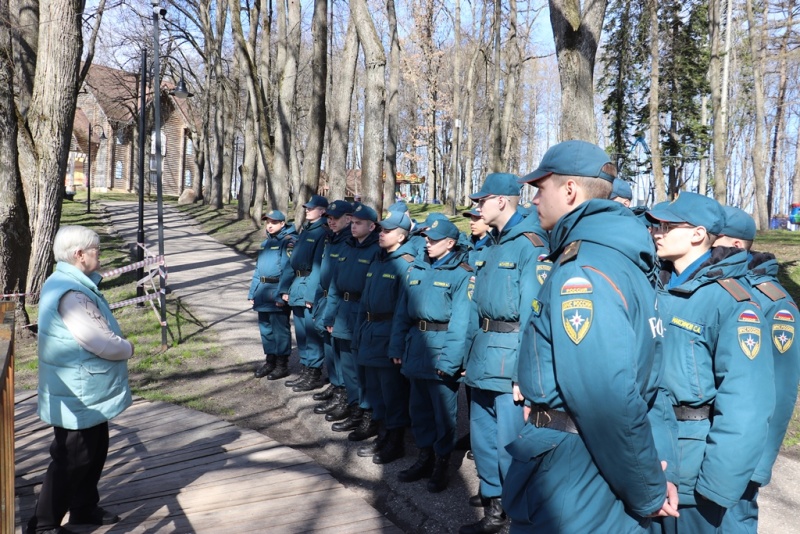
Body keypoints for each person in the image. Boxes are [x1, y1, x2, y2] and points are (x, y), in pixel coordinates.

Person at [505, 140, 678, 532]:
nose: (533, 199)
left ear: (569, 191)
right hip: (605, 460)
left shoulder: (583, 271)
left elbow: (608, 397)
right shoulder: (626, 260)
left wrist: (649, 489)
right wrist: (657, 470)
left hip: (575, 472)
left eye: (540, 188)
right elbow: (652, 386)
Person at [647, 194, 775, 534]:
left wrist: (716, 488)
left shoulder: (731, 301)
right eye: (656, 225)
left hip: (696, 474)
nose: (657, 232)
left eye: (667, 225)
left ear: (697, 234)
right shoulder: (652, 290)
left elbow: (745, 403)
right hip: (650, 462)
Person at [28, 226, 134, 534]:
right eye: (96, 251)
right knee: (72, 457)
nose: (99, 255)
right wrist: (127, 347)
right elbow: (97, 340)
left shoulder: (69, 283)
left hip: (85, 387)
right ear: (79, 255)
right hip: (78, 389)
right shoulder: (71, 292)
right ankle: (44, 524)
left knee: (95, 448)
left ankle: (83, 508)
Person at [460, 173, 549, 534]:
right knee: (481, 438)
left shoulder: (530, 244)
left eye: (482, 200)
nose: (477, 207)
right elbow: (475, 310)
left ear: (502, 201)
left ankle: (515, 511)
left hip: (509, 357)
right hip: (482, 355)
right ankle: (494, 505)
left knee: (508, 443)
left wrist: (522, 373)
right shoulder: (490, 244)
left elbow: (533, 314)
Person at [713, 206, 798, 532]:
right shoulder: (719, 292)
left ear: (734, 247)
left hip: (743, 462)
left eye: (712, 238)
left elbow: (781, 386)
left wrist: (758, 466)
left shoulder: (773, 304)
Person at [389, 218, 476, 493]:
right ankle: (424, 458)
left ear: (450, 243)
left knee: (443, 414)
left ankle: (442, 462)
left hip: (441, 350)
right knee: (420, 410)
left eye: (434, 239)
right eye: (426, 237)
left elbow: (462, 322)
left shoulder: (462, 274)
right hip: (416, 346)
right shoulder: (417, 267)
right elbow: (402, 312)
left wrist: (451, 361)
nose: (428, 242)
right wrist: (396, 347)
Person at [352, 211, 416, 464]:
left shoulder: (406, 263)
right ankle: (382, 434)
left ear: (401, 236)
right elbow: (365, 301)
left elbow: (404, 310)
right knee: (375, 391)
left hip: (388, 334)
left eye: (387, 231)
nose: (381, 234)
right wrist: (358, 333)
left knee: (393, 393)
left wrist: (397, 345)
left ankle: (395, 441)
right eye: (380, 230)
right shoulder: (379, 259)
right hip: (369, 332)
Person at [322, 203, 381, 435]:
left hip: (363, 312)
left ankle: (368, 413)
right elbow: (335, 284)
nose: (354, 227)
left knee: (362, 368)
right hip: (344, 311)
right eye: (353, 222)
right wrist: (330, 314)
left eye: (358, 223)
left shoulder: (376, 250)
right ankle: (353, 407)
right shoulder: (347, 246)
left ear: (371, 226)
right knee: (347, 365)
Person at [279, 194, 329, 384]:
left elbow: (318, 266)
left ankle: (314, 372)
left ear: (322, 211)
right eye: (307, 207)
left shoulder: (322, 232)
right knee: (300, 332)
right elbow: (292, 262)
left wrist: (311, 294)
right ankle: (306, 369)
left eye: (311, 207)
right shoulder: (306, 230)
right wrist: (284, 288)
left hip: (310, 287)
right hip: (297, 286)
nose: (307, 210)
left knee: (312, 333)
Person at [310, 200, 353, 407]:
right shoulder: (332, 239)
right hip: (326, 298)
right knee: (328, 346)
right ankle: (336, 384)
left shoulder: (348, 241)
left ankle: (343, 390)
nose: (331, 221)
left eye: (336, 218)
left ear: (349, 218)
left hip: (340, 301)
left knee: (338, 347)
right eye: (329, 217)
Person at [248, 210, 297, 378]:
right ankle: (270, 361)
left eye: (274, 222)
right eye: (268, 222)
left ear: (283, 224)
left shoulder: (288, 242)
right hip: (262, 292)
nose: (269, 225)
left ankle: (282, 364)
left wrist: (281, 294)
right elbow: (258, 270)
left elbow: (288, 270)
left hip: (276, 291)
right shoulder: (265, 244)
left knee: (279, 329)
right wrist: (252, 292)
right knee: (266, 329)